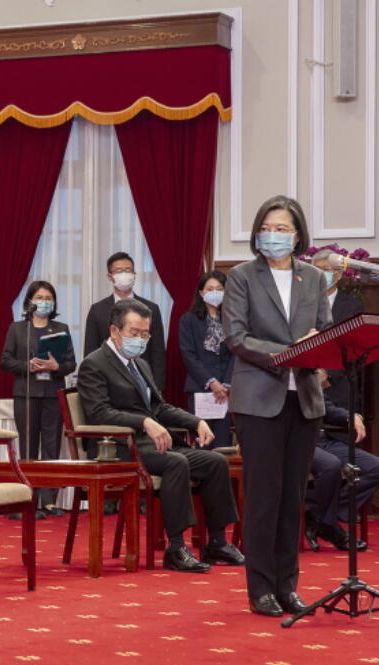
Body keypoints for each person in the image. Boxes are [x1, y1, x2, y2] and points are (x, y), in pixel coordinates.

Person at [78, 298, 244, 573]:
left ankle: (216, 542)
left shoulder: (139, 364)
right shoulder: (94, 364)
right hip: (119, 447)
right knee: (175, 462)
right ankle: (176, 547)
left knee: (215, 462)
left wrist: (195, 421)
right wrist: (143, 422)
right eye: (134, 333)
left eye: (146, 334)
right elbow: (99, 413)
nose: (141, 340)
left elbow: (159, 407)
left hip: (153, 444)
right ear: (114, 331)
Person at [223, 195, 331, 618]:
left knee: (292, 498)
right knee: (264, 497)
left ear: (299, 234)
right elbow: (236, 336)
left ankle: (288, 585)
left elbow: (323, 330)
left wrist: (317, 348)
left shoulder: (313, 278)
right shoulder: (242, 277)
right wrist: (288, 352)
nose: (275, 235)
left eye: (284, 229)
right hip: (258, 398)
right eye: (268, 227)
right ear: (256, 232)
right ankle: (260, 587)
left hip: (304, 398)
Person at [0, 280, 77, 516]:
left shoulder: (61, 327)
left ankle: (49, 500)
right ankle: (28, 497)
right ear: (30, 301)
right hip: (27, 393)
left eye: (49, 298)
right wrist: (27, 365)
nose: (45, 302)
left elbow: (71, 364)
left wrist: (56, 366)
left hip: (53, 394)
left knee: (51, 447)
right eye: (40, 298)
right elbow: (5, 360)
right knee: (28, 446)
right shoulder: (18, 328)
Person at [305, 397, 379, 552]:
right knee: (331, 466)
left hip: (325, 440)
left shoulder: (308, 379)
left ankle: (317, 517)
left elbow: (327, 408)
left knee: (378, 469)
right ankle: (328, 525)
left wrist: (351, 416)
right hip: (301, 441)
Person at [84, 252, 167, 390]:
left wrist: (157, 388)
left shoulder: (151, 308)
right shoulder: (97, 310)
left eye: (128, 270)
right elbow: (90, 351)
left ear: (134, 275)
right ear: (110, 277)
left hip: (143, 382)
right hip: (107, 383)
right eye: (119, 271)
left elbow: (158, 353)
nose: (124, 274)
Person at [177, 271, 234, 449]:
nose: (215, 292)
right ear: (201, 292)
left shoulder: (233, 320)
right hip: (200, 388)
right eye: (210, 288)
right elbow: (188, 355)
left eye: (219, 288)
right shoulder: (188, 320)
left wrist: (226, 384)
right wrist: (211, 382)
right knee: (203, 442)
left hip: (226, 392)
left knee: (223, 444)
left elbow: (236, 353)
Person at [311, 248, 364, 407]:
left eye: (325, 270)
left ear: (338, 275)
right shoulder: (299, 303)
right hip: (305, 383)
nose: (319, 274)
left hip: (338, 386)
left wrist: (327, 373)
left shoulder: (352, 306)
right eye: (316, 270)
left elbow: (352, 346)